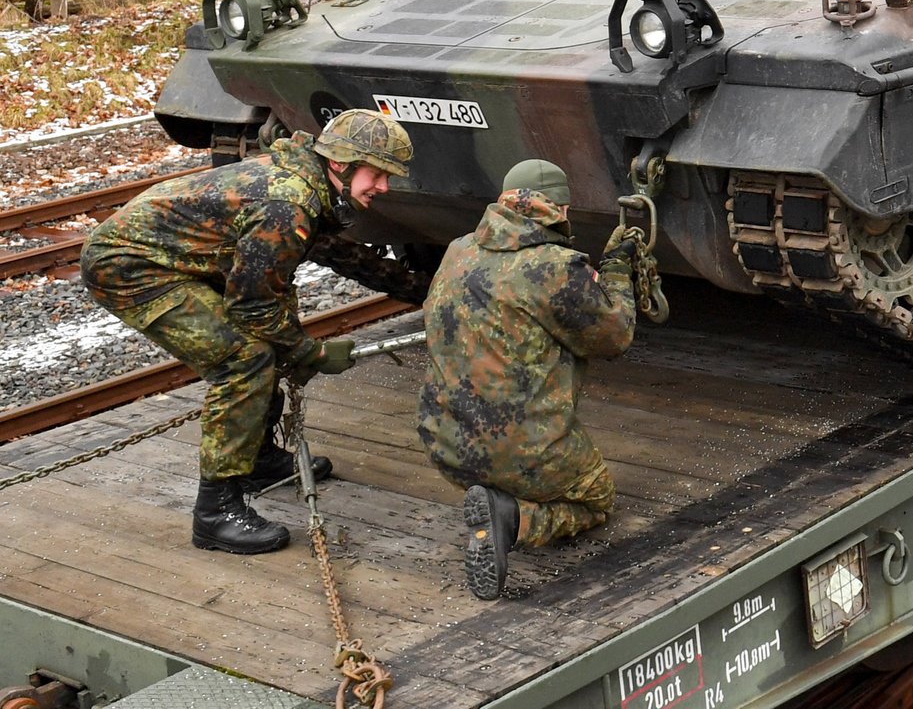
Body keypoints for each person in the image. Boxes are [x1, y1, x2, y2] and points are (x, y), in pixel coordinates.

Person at [79, 110, 413, 554]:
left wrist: (424, 289)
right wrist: (310, 353)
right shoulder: (287, 202)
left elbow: (329, 263)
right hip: (129, 267)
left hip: (177, 259)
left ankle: (256, 459)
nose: (384, 187)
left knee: (265, 344)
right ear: (341, 164)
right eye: (378, 173)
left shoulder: (307, 183)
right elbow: (253, 304)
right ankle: (216, 512)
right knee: (244, 359)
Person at [416, 159, 640, 600]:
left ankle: (497, 493)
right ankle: (513, 518)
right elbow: (615, 336)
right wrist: (616, 269)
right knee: (595, 499)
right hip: (526, 451)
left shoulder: (458, 249)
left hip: (445, 444)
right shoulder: (555, 267)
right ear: (560, 209)